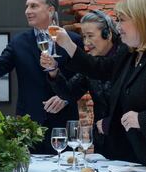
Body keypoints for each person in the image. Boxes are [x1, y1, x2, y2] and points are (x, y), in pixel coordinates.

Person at [0, 0, 83, 154]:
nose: (27, 11)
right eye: (26, 6)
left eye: (33, 6)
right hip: (28, 125)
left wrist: (66, 98)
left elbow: (82, 80)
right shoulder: (19, 42)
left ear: (51, 10)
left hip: (63, 124)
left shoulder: (73, 41)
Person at [42, 0, 146, 166]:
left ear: (140, 19)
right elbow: (98, 68)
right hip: (135, 159)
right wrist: (68, 45)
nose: (117, 27)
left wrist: (142, 119)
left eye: (121, 20)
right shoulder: (130, 53)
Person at [42, 10, 124, 158]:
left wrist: (68, 44)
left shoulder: (125, 57)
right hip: (103, 144)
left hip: (130, 143)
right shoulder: (89, 64)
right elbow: (68, 93)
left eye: (90, 36)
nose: (86, 43)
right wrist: (53, 71)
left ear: (108, 34)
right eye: (84, 37)